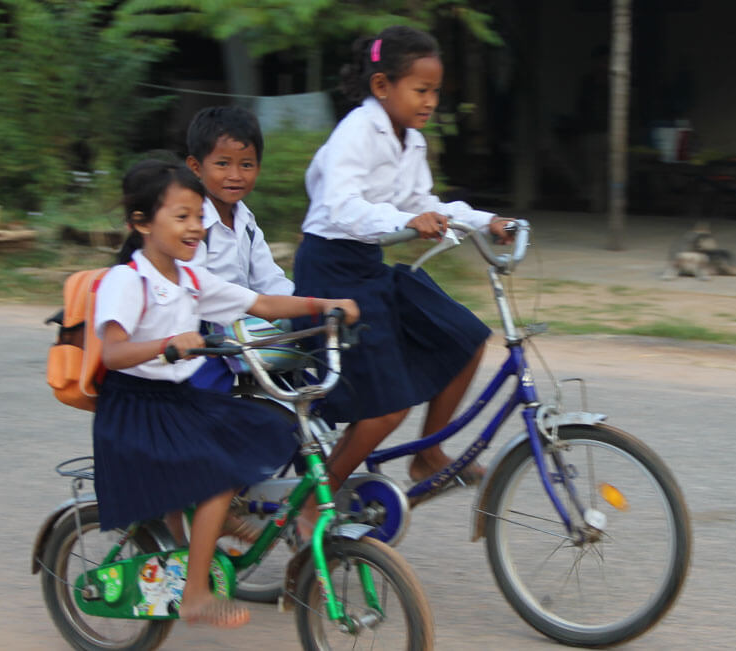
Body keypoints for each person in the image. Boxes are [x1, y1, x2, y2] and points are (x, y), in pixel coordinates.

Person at [93, 159, 358, 628]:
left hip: (180, 403)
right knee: (216, 473)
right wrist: (167, 345)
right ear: (141, 223)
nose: (196, 227)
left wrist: (323, 306)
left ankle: (211, 532)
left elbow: (261, 303)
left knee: (264, 429)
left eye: (198, 216)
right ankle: (195, 593)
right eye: (182, 216)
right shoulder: (127, 281)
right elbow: (112, 353)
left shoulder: (191, 279)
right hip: (136, 407)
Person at [292, 25, 514, 507]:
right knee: (386, 411)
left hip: (369, 266)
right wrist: (407, 220)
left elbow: (422, 201)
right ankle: (313, 504)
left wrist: (487, 221)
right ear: (381, 86)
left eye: (436, 91)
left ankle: (428, 453)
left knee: (465, 337)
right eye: (421, 89)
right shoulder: (356, 131)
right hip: (331, 272)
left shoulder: (409, 140)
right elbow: (342, 206)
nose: (431, 100)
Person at [182, 105, 296, 392]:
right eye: (222, 164)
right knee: (207, 406)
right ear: (196, 167)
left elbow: (269, 278)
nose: (235, 175)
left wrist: (293, 306)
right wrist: (255, 305)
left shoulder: (245, 221)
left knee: (298, 387)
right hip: (201, 335)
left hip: (242, 329)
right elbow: (193, 288)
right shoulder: (193, 224)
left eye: (246, 165)